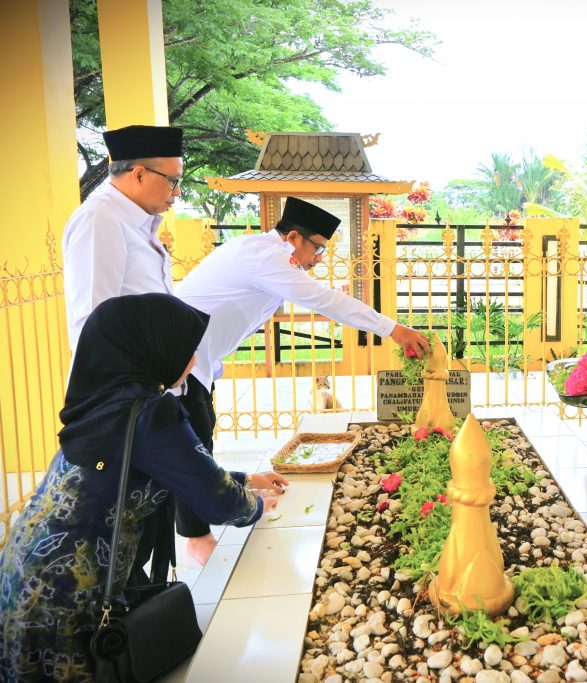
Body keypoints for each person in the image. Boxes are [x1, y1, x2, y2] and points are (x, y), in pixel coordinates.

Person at [0, 294, 280, 682]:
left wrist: (247, 479)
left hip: (25, 567)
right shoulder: (151, 413)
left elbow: (174, 470)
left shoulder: (103, 398)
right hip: (69, 588)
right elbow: (221, 504)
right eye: (186, 349)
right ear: (153, 347)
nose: (194, 361)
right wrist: (259, 505)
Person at [175, 196, 430, 564]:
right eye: (318, 249)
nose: (317, 260)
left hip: (197, 360)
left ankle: (230, 491)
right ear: (294, 237)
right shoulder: (266, 257)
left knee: (199, 434)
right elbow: (324, 301)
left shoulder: (265, 255)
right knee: (191, 441)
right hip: (178, 361)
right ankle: (197, 536)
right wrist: (394, 330)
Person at [63, 125, 184, 352]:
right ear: (139, 174)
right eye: (173, 180)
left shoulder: (135, 222)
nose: (177, 192)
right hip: (122, 380)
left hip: (147, 377)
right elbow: (94, 321)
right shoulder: (100, 219)